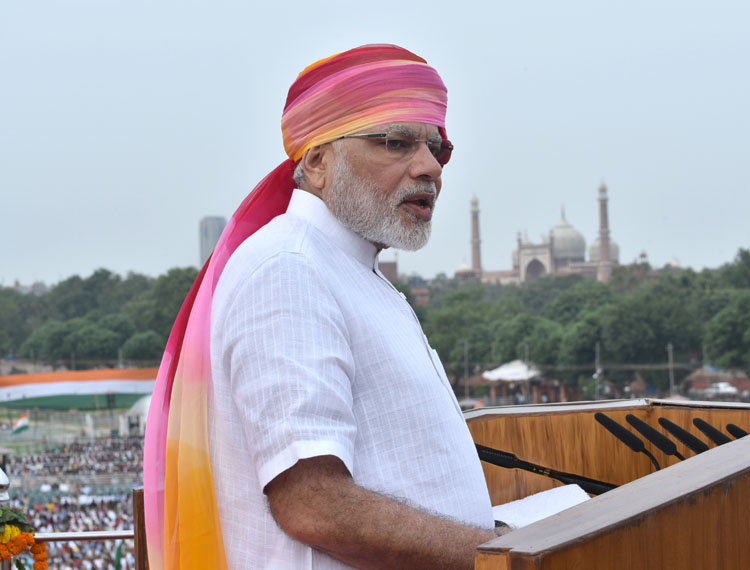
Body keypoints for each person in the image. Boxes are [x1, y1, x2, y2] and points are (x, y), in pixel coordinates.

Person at [143, 44, 497, 570]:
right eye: (396, 143)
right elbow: (314, 504)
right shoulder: (289, 269)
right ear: (317, 162)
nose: (429, 167)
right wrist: (507, 558)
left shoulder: (349, 269)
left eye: (437, 148)